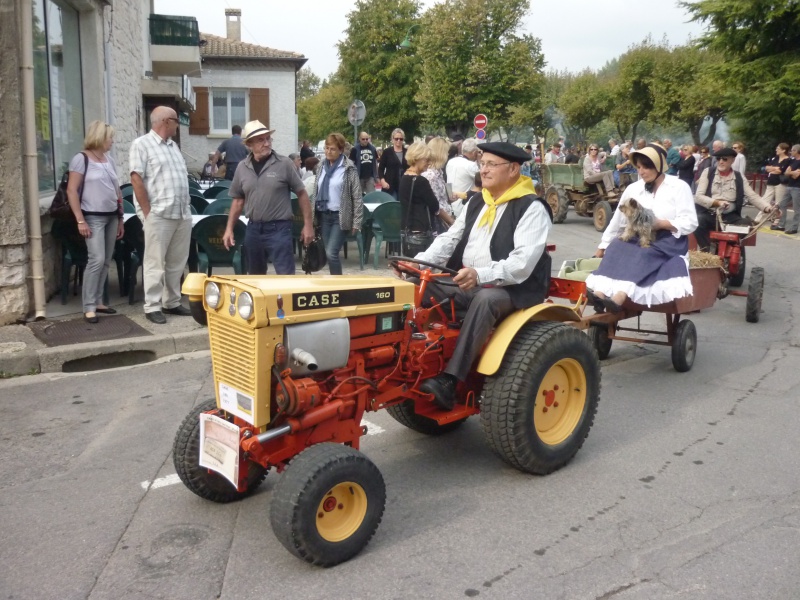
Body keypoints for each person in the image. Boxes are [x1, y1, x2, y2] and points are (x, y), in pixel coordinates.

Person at [396, 142, 552, 410]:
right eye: (482, 164)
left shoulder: (532, 207)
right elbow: (450, 238)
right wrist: (419, 264)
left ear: (513, 169)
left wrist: (480, 275)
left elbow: (521, 264)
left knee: (486, 300)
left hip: (513, 289)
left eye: (492, 164)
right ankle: (404, 361)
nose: (484, 170)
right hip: (468, 281)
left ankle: (450, 380)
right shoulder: (478, 201)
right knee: (413, 288)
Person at [585, 144, 698, 312]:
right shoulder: (634, 188)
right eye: (638, 167)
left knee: (644, 252)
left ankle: (620, 296)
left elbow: (690, 222)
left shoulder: (679, 187)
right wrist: (603, 245)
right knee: (616, 247)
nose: (641, 171)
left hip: (667, 240)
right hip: (637, 235)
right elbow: (618, 220)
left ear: (659, 166)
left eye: (646, 167)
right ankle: (599, 293)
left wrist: (661, 224)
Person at [223, 120, 314, 275]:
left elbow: (302, 194)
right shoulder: (242, 167)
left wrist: (308, 225)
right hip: (253, 229)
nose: (266, 143)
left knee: (286, 277)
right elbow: (238, 201)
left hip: (279, 229)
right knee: (255, 278)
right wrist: (229, 229)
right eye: (260, 140)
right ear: (249, 144)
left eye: (268, 139)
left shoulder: (284, 163)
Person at [129, 106, 193, 324]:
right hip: (159, 214)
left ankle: (172, 302)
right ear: (166, 121)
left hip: (181, 213)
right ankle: (152, 305)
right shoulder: (142, 145)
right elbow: (136, 178)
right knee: (155, 262)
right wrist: (147, 212)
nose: (179, 124)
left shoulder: (173, 146)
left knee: (176, 262)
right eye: (177, 120)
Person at [67, 120, 124, 324]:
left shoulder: (109, 160)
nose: (112, 141)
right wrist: (80, 220)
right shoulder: (81, 159)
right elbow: (72, 190)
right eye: (110, 137)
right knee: (96, 259)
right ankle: (88, 306)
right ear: (99, 137)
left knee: (107, 260)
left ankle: (99, 300)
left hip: (111, 215)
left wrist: (120, 218)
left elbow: (117, 191)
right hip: (92, 216)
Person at [694, 147, 776, 250]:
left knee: (746, 225)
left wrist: (768, 208)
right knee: (697, 221)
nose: (721, 162)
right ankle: (706, 250)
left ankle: (733, 250)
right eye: (718, 159)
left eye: (724, 159)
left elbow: (752, 196)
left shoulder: (739, 176)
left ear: (732, 160)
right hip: (710, 214)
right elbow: (698, 196)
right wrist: (716, 202)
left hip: (730, 216)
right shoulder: (708, 172)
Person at [311, 132, 363, 275]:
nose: (328, 151)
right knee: (329, 254)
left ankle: (338, 285)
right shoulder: (321, 165)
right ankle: (336, 280)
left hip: (340, 216)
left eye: (332, 149)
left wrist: (357, 221)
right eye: (327, 148)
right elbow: (316, 190)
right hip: (324, 215)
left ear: (340, 150)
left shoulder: (348, 168)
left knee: (331, 253)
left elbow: (357, 196)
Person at [399, 142, 450, 256]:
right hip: (421, 229)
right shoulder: (421, 181)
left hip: (407, 228)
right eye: (427, 160)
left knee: (411, 265)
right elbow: (435, 207)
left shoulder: (404, 177)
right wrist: (451, 221)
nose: (429, 163)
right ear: (418, 159)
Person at [422, 137, 455, 232]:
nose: (448, 154)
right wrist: (450, 221)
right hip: (440, 223)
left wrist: (449, 198)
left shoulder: (438, 172)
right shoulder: (431, 175)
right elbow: (435, 205)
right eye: (446, 151)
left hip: (445, 218)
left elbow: (440, 198)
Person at [763, 143, 792, 228]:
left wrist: (773, 169)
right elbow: (767, 168)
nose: (776, 150)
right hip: (771, 181)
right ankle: (758, 219)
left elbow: (780, 171)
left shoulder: (787, 160)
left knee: (778, 203)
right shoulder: (775, 158)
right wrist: (774, 169)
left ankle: (777, 220)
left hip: (779, 182)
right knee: (764, 200)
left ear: (783, 150)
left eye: (778, 148)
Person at [377, 128, 408, 199]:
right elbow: (381, 169)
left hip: (404, 184)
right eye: (396, 139)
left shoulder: (407, 152)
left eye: (401, 139)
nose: (399, 141)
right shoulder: (387, 152)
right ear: (392, 139)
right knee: (392, 205)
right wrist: (382, 181)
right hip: (390, 185)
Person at [777, 144, 800, 234]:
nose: (791, 152)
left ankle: (794, 227)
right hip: (789, 186)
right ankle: (781, 225)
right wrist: (791, 172)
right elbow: (786, 173)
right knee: (782, 204)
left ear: (797, 151)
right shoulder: (792, 161)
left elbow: (796, 175)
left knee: (796, 208)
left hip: (797, 187)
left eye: (793, 150)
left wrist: (790, 172)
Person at [350, 131, 379, 197]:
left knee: (372, 196)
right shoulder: (355, 149)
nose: (365, 141)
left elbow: (375, 162)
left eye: (367, 139)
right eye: (363, 139)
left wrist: (376, 176)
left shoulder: (372, 148)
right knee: (358, 197)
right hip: (359, 177)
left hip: (370, 176)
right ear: (359, 139)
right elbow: (351, 163)